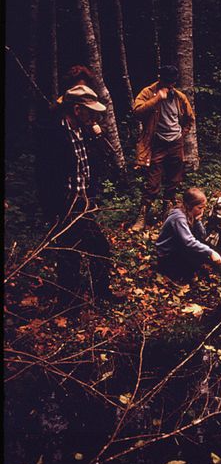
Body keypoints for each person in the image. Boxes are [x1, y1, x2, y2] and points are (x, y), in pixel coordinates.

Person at [35, 84, 119, 310]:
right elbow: (45, 177)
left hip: (83, 203)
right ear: (76, 109)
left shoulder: (84, 131)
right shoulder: (53, 134)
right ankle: (67, 305)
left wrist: (97, 136)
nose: (94, 115)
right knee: (69, 256)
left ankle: (101, 295)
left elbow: (97, 164)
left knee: (99, 250)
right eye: (89, 111)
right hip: (65, 206)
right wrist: (55, 210)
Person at [131, 65, 195, 231]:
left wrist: (182, 133)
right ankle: (143, 215)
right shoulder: (148, 92)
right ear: (160, 78)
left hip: (175, 143)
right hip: (157, 143)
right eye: (167, 82)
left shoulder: (179, 97)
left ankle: (167, 211)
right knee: (153, 182)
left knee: (174, 179)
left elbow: (190, 118)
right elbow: (137, 112)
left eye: (172, 83)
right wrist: (157, 99)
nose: (169, 86)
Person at [156, 188, 221, 282]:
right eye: (200, 208)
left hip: (178, 247)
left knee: (203, 254)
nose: (202, 211)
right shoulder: (179, 217)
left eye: (204, 207)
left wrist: (198, 221)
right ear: (189, 205)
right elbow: (188, 241)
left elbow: (202, 235)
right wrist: (210, 252)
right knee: (188, 271)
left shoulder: (191, 214)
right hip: (167, 254)